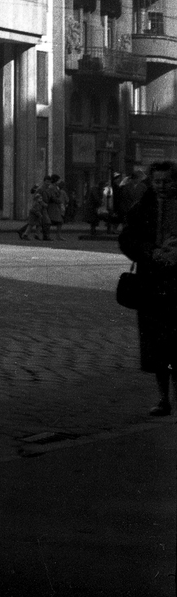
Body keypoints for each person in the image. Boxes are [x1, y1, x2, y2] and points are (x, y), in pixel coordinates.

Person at [119, 160, 177, 416]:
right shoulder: (143, 206)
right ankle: (163, 398)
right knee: (156, 348)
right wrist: (149, 251)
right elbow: (127, 239)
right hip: (152, 284)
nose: (162, 186)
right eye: (157, 181)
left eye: (167, 181)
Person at [44, 174, 66, 241]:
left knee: (57, 221)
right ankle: (49, 236)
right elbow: (53, 197)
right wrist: (60, 202)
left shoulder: (55, 187)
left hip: (55, 206)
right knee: (52, 221)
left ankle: (56, 236)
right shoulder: (52, 187)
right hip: (52, 206)